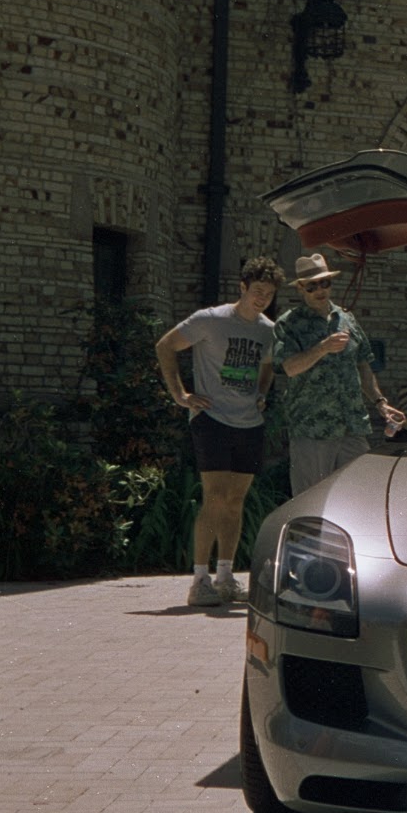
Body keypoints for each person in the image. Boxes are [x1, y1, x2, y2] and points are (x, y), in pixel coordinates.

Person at [155, 254, 285, 606]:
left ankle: (225, 577)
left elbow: (268, 365)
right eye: (257, 291)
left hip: (249, 423)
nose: (262, 299)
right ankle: (200, 581)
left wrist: (261, 393)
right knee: (214, 498)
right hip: (211, 419)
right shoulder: (209, 320)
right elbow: (165, 346)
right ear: (242, 287)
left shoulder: (268, 330)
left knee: (235, 501)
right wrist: (180, 395)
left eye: (268, 294)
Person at [274, 252, 405, 492]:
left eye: (325, 283)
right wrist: (322, 348)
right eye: (312, 286)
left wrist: (380, 402)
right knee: (311, 500)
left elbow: (363, 364)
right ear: (300, 288)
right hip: (313, 429)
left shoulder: (347, 319)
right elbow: (290, 368)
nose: (320, 290)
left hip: (351, 426)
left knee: (360, 495)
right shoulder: (289, 323)